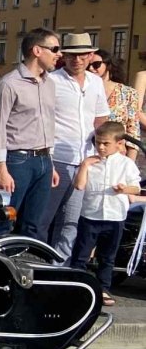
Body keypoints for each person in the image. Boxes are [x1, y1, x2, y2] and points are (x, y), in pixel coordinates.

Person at [0, 29, 62, 239]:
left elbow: (48, 123)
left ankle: (27, 260)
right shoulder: (8, 85)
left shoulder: (49, 84)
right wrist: (1, 169)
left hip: (44, 160)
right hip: (17, 161)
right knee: (4, 221)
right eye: (55, 48)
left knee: (34, 225)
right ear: (37, 50)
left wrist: (50, 163)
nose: (59, 54)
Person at [42, 31, 109, 256]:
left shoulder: (96, 82)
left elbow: (101, 119)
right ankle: (36, 265)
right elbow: (43, 119)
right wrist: (47, 158)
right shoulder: (52, 80)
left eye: (82, 55)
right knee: (45, 218)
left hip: (84, 160)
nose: (77, 60)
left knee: (70, 222)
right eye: (72, 55)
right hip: (57, 158)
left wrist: (102, 152)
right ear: (64, 56)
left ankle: (61, 268)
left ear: (90, 55)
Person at [69, 121, 139, 306]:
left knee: (107, 257)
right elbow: (79, 185)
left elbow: (136, 187)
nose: (100, 147)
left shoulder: (126, 164)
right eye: (98, 142)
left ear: (119, 144)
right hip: (91, 216)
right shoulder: (91, 162)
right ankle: (76, 286)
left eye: (106, 143)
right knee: (81, 254)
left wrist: (124, 189)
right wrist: (85, 165)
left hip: (115, 217)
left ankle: (104, 289)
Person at [92, 51, 141, 160]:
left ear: (108, 65)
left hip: (118, 156)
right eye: (88, 65)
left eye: (96, 64)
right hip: (90, 153)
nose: (91, 68)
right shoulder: (84, 90)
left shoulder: (128, 93)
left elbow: (133, 130)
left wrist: (130, 162)